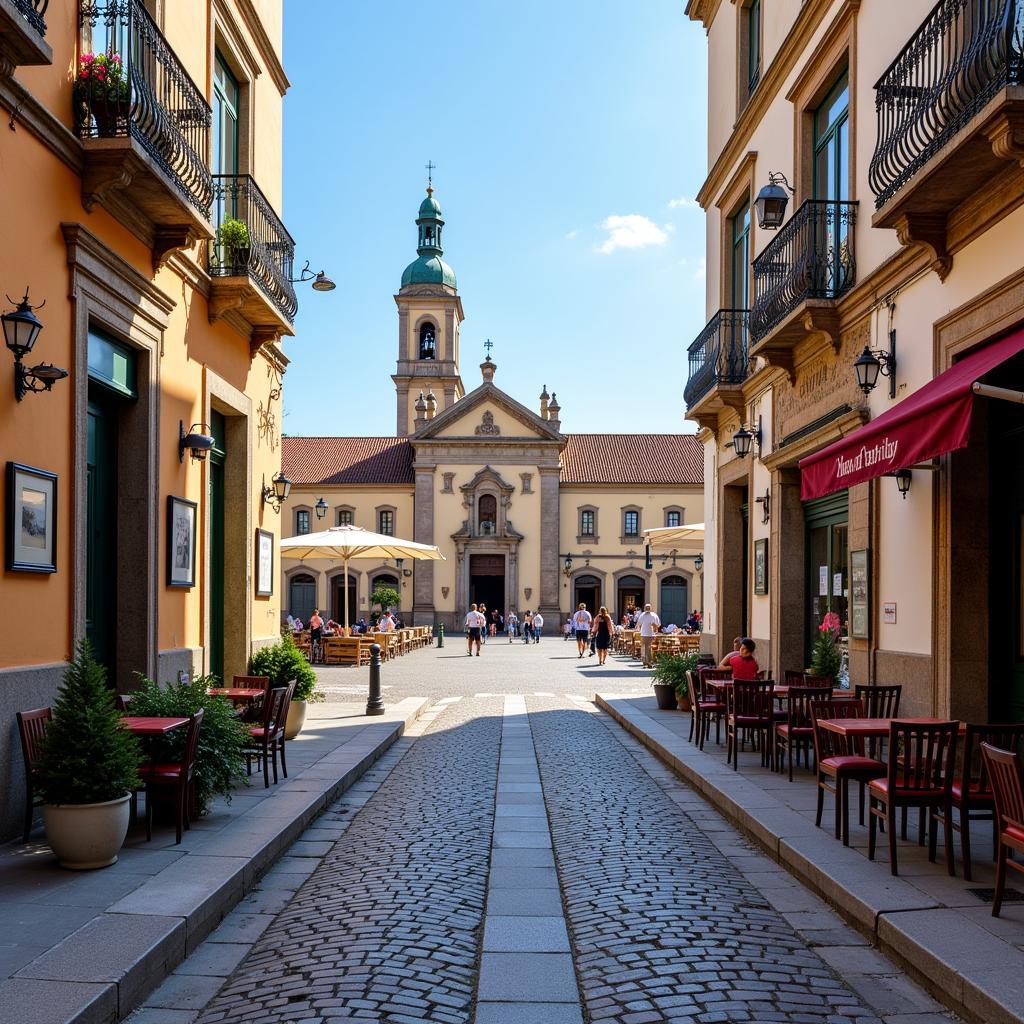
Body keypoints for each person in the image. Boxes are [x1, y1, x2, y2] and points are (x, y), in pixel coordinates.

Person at [635, 603, 661, 668]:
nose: (647, 608)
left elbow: (638, 624)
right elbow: (658, 624)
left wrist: (654, 626)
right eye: (646, 607)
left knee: (647, 648)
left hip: (649, 634)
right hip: (646, 634)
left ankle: (648, 662)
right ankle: (646, 662)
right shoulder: (648, 615)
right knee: (646, 648)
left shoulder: (644, 615)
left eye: (648, 607)